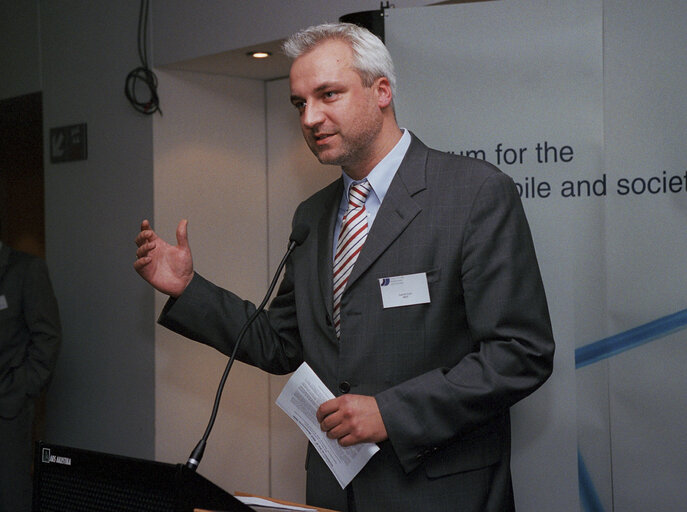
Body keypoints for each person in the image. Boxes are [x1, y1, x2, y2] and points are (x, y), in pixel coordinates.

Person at [135, 22, 554, 512]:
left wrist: (391, 413)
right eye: (299, 104)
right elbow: (281, 343)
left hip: (440, 491)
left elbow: (520, 353)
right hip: (337, 492)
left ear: (381, 91)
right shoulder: (312, 216)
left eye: (328, 95)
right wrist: (188, 289)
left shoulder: (474, 193)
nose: (310, 117)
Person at [0, 239, 62, 511]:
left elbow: (47, 337)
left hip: (8, 407)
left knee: (11, 496)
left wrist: (22, 388)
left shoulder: (26, 269)